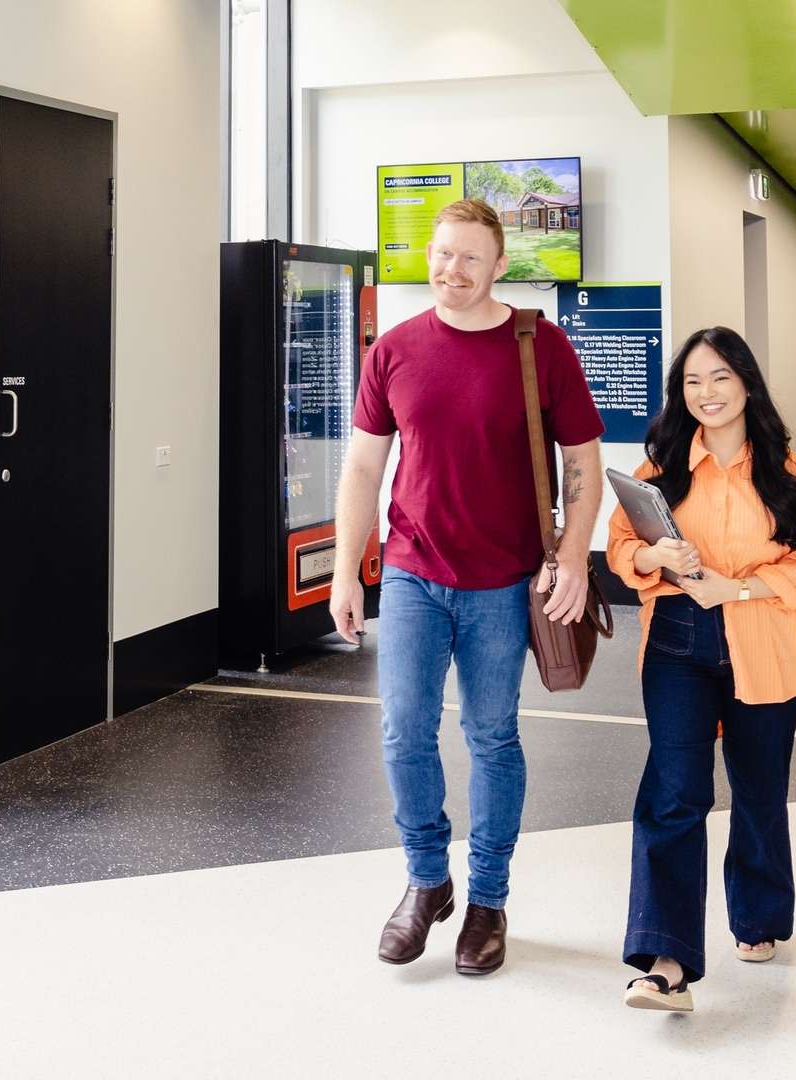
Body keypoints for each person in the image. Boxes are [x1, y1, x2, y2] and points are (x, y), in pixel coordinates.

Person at [330, 198, 605, 976]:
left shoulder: (540, 345)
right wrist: (347, 569)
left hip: (503, 583)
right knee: (403, 731)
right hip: (414, 573)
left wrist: (574, 556)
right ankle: (427, 880)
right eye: (443, 254)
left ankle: (487, 900)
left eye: (470, 258)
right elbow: (363, 466)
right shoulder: (394, 350)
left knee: (492, 737)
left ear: (499, 266)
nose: (452, 270)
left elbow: (582, 459)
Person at [606, 326, 796, 1013]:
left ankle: (758, 916)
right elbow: (620, 549)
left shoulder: (788, 473)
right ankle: (666, 960)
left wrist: (739, 588)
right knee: (674, 793)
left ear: (747, 384)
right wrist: (653, 559)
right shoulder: (659, 471)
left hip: (763, 637)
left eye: (721, 377)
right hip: (677, 640)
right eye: (693, 381)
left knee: (759, 790)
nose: (707, 392)